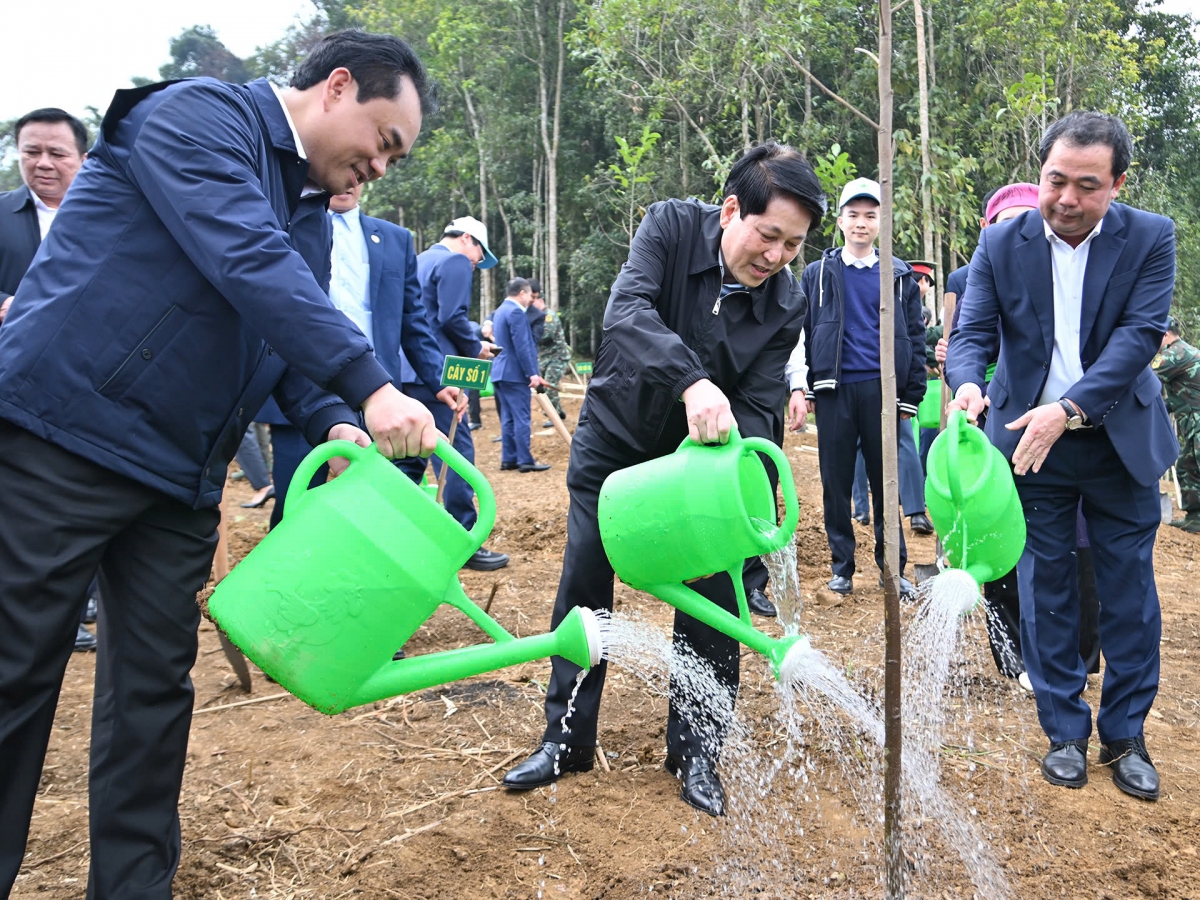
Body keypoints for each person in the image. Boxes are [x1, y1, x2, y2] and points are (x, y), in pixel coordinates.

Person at [0, 31, 448, 898]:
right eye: (383, 141)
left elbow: (285, 333)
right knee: (14, 671)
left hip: (178, 478)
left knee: (153, 701)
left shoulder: (310, 211)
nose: (382, 168)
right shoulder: (196, 117)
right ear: (337, 87)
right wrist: (372, 385)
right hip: (65, 435)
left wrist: (333, 416)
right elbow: (246, 260)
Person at [503, 141, 826, 815]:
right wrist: (691, 381)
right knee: (586, 585)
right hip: (615, 440)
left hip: (698, 471)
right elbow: (626, 313)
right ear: (733, 209)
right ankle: (565, 739)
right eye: (768, 236)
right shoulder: (672, 227)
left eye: (792, 246)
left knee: (714, 601)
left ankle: (700, 752)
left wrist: (737, 464)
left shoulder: (787, 301)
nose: (775, 257)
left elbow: (764, 400)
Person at [947, 111, 1177, 801]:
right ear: (1039, 171)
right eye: (1055, 181)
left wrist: (1068, 409)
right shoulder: (1001, 242)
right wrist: (964, 384)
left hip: (1117, 443)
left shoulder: (1151, 238)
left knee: (1128, 594)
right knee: (1045, 591)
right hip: (1028, 446)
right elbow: (973, 332)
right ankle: (1065, 733)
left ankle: (1126, 735)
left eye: (1086, 185)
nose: (1067, 200)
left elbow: (1138, 340)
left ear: (1116, 184)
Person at [0, 108, 98, 652]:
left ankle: (80, 603)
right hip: (13, 388)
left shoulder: (106, 218)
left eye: (56, 153)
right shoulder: (1, 217)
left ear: (81, 160)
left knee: (80, 500)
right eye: (31, 151)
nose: (42, 163)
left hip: (87, 388)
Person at [801, 177, 925, 597]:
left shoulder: (900, 275)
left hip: (882, 392)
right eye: (853, 215)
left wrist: (910, 395)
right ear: (839, 221)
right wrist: (805, 385)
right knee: (835, 482)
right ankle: (842, 567)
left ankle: (894, 568)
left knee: (885, 481)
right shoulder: (817, 274)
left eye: (870, 215)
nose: (861, 223)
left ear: (881, 222)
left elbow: (916, 335)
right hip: (835, 390)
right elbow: (802, 330)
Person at [399, 216, 508, 569]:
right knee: (456, 451)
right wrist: (476, 346)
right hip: (440, 372)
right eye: (480, 253)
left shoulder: (420, 259)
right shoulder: (456, 260)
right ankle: (464, 539)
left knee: (410, 457)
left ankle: (395, 530)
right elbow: (451, 317)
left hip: (409, 372)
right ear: (466, 239)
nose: (477, 262)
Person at [492, 278, 551, 472]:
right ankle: (525, 460)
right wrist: (532, 373)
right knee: (521, 417)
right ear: (522, 293)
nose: (531, 301)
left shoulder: (500, 310)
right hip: (514, 372)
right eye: (529, 296)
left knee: (508, 417)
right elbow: (523, 346)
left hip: (500, 371)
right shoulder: (516, 311)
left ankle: (509, 458)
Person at [1154, 315, 1200, 532]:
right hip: (1192, 422)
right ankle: (1196, 517)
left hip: (1197, 421)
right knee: (1187, 465)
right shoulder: (1183, 351)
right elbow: (1178, 397)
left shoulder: (1175, 354)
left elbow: (1145, 376)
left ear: (1164, 334)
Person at [534, 289, 573, 424]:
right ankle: (559, 412)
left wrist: (528, 335)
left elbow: (547, 336)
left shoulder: (549, 315)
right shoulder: (535, 317)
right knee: (541, 388)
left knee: (550, 385)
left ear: (540, 301)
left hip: (557, 357)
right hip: (544, 358)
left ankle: (555, 415)